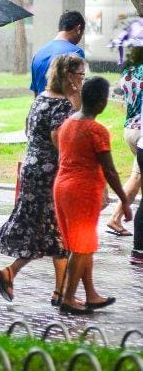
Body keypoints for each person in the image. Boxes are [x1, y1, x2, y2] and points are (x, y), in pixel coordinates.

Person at [0, 54, 83, 305]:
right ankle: (60, 292)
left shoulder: (41, 98)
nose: (82, 80)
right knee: (58, 230)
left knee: (46, 231)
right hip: (50, 173)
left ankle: (54, 289)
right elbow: (60, 140)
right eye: (80, 75)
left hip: (32, 168)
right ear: (69, 77)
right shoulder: (63, 105)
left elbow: (29, 130)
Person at [54, 77, 133, 314]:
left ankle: (90, 294)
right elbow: (109, 169)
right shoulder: (96, 129)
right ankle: (67, 298)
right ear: (101, 101)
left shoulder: (67, 124)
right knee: (82, 246)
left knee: (81, 245)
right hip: (82, 191)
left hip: (62, 188)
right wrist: (124, 200)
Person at [107, 46, 143, 236]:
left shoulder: (127, 73)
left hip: (130, 128)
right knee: (137, 177)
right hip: (141, 131)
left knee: (138, 176)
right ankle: (115, 218)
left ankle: (119, 218)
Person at [29, 11, 85, 95]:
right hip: (65, 107)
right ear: (78, 29)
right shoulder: (76, 53)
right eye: (82, 33)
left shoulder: (37, 55)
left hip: (42, 107)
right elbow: (77, 90)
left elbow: (36, 95)